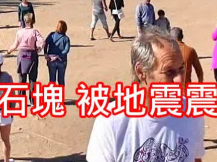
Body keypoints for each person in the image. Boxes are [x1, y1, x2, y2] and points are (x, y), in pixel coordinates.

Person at [85, 27, 205, 162]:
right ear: (141, 72)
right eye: (169, 72)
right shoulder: (110, 122)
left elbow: (195, 159)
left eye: (181, 68)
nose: (180, 80)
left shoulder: (192, 113)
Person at [7, 12, 44, 107]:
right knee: (32, 80)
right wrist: (39, 48)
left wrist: (9, 51)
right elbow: (42, 41)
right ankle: (32, 101)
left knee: (21, 79)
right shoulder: (34, 32)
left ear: (24, 21)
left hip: (22, 55)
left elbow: (15, 44)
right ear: (33, 21)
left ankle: (21, 101)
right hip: (32, 55)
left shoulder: (20, 32)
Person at [44, 20, 71, 86]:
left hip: (51, 59)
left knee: (52, 80)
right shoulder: (66, 38)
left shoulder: (51, 35)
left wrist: (45, 53)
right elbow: (66, 50)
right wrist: (59, 56)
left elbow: (45, 43)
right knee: (61, 80)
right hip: (61, 60)